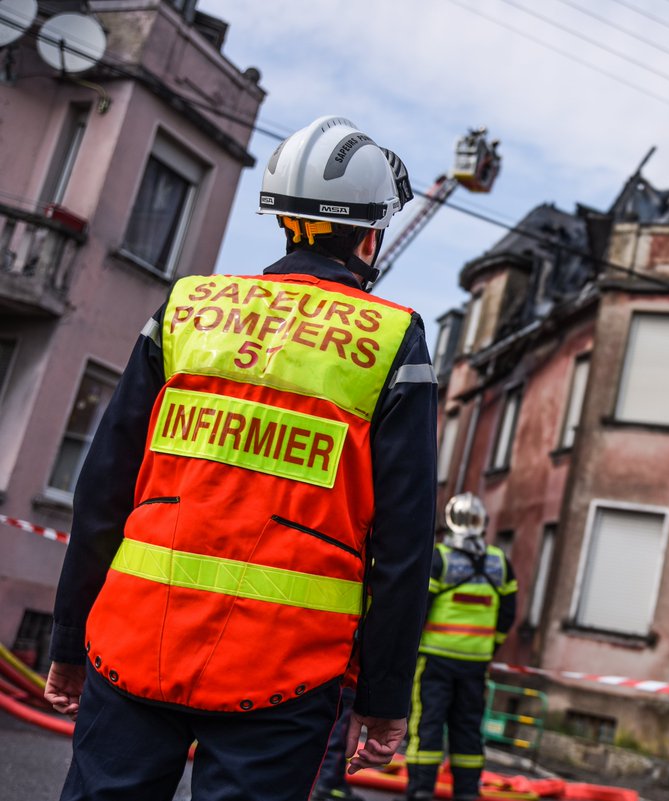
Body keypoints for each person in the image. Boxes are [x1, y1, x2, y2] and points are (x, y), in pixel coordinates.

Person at [44, 115, 437, 801]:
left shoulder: (186, 309)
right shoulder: (393, 339)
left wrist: (69, 639)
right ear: (371, 232)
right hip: (286, 674)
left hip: (133, 642)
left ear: (285, 219)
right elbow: (403, 546)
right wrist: (382, 695)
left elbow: (102, 488)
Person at [405, 493, 518, 801]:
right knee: (468, 730)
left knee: (427, 725)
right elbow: (507, 615)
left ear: (449, 521)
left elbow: (420, 608)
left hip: (435, 660)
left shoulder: (439, 559)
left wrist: (409, 648)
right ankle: (467, 793)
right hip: (476, 663)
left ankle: (420, 792)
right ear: (483, 524)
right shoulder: (500, 563)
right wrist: (488, 648)